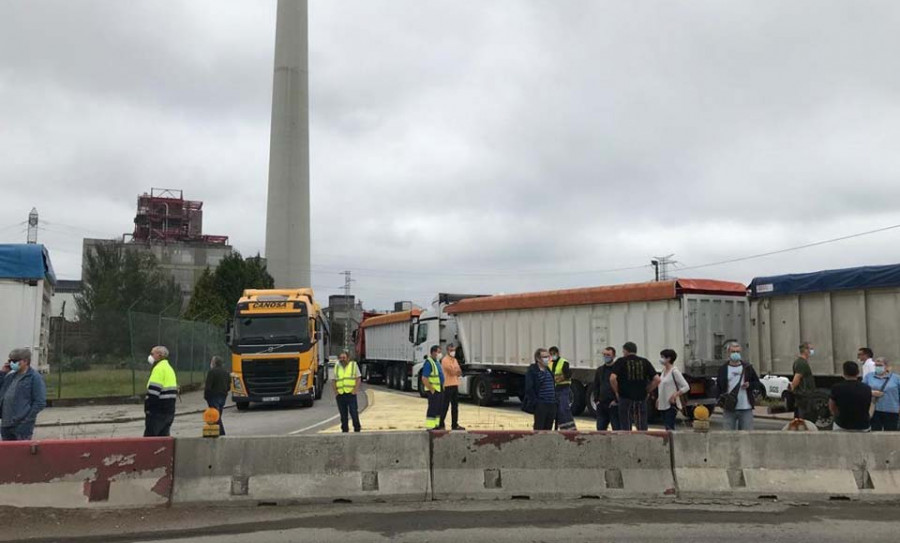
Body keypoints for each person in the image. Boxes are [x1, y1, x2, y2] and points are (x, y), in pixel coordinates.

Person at [610, 342, 660, 431]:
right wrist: (647, 390)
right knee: (641, 424)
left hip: (625, 397)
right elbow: (657, 379)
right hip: (641, 397)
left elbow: (612, 378)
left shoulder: (621, 361)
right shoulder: (644, 362)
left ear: (625, 351)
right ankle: (643, 440)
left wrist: (617, 391)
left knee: (626, 423)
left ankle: (628, 442)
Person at [0, 348, 46, 441]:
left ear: (25, 361)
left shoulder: (34, 377)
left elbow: (40, 402)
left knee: (21, 454)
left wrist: (27, 421)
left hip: (21, 426)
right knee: (7, 454)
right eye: (10, 361)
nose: (12, 363)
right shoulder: (10, 377)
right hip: (6, 424)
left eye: (15, 361)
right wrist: (3, 373)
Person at [716, 342, 764, 431]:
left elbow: (758, 384)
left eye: (737, 352)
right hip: (729, 408)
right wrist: (720, 401)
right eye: (733, 352)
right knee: (728, 435)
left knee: (747, 436)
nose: (736, 354)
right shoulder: (723, 369)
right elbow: (718, 387)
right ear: (728, 353)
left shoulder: (747, 368)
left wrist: (750, 385)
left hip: (746, 408)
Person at [144, 345, 178, 437]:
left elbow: (153, 392)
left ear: (159, 355)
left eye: (152, 353)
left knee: (150, 441)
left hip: (157, 411)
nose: (150, 356)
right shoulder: (170, 369)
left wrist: (148, 408)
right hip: (169, 410)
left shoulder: (158, 369)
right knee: (163, 440)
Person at [829, 361, 871, 432]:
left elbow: (832, 407)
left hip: (842, 424)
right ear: (858, 373)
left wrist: (838, 416)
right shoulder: (867, 388)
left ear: (844, 373)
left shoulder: (836, 388)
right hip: (863, 426)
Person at [863, 357, 900, 431]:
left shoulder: (896, 378)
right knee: (875, 431)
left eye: (880, 365)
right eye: (876, 365)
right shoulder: (869, 376)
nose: (877, 367)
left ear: (887, 366)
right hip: (874, 410)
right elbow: (862, 390)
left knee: (891, 433)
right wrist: (872, 393)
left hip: (891, 410)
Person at [523, 348, 557, 430]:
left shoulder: (548, 370)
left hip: (551, 404)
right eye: (544, 357)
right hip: (541, 404)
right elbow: (529, 388)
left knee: (548, 429)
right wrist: (536, 403)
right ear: (538, 358)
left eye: (548, 357)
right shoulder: (533, 371)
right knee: (539, 428)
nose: (547, 359)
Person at [657, 349, 689, 431]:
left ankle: (672, 442)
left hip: (671, 405)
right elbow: (662, 386)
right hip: (662, 404)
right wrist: (658, 399)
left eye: (663, 357)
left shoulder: (674, 371)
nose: (661, 359)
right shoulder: (663, 371)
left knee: (669, 427)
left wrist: (675, 395)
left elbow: (686, 386)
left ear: (669, 359)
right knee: (666, 427)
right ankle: (668, 442)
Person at [333, 351, 362, 433]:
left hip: (351, 394)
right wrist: (336, 392)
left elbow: (358, 378)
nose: (342, 359)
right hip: (340, 394)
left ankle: (357, 429)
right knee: (343, 415)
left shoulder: (353, 365)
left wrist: (355, 390)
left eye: (344, 358)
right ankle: (344, 430)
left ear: (348, 358)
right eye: (341, 358)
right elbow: (333, 380)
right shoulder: (337, 366)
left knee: (354, 413)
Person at [549, 346, 576, 431]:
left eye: (554, 354)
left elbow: (568, 374)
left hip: (564, 387)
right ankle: (559, 427)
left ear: (557, 353)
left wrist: (559, 378)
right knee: (556, 410)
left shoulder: (563, 362)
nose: (553, 355)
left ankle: (570, 429)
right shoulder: (550, 363)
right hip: (554, 388)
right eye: (551, 354)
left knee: (564, 408)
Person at [593, 346, 620, 430]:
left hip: (614, 405)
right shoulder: (600, 370)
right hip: (601, 404)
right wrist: (596, 400)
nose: (606, 357)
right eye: (604, 354)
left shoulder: (618, 369)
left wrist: (616, 400)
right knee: (600, 429)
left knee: (616, 428)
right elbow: (596, 385)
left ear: (614, 356)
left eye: (608, 355)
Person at [440, 344, 465, 431]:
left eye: (453, 350)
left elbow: (459, 372)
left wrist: (456, 370)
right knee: (445, 406)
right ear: (447, 350)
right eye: (451, 350)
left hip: (455, 384)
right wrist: (456, 370)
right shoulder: (445, 360)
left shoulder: (454, 360)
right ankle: (441, 423)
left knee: (455, 406)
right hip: (447, 385)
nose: (453, 352)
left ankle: (454, 424)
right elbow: (451, 372)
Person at [204, 355, 230, 436]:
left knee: (215, 415)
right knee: (217, 414)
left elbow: (208, 386)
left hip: (213, 396)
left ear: (214, 363)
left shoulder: (212, 372)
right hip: (223, 396)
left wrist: (206, 396)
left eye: (211, 361)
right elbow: (228, 386)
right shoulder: (226, 373)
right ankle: (214, 431)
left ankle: (221, 432)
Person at [791, 342, 817, 421]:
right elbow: (797, 378)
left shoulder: (802, 362)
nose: (812, 351)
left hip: (805, 396)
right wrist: (792, 389)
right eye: (810, 349)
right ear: (805, 350)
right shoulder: (801, 363)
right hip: (804, 397)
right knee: (804, 419)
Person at [421, 345, 445, 430]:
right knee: (432, 409)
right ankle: (430, 427)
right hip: (434, 391)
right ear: (433, 352)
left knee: (438, 409)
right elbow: (424, 378)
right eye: (438, 352)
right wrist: (432, 389)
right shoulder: (429, 362)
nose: (440, 354)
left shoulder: (437, 362)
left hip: (439, 389)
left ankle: (436, 425)